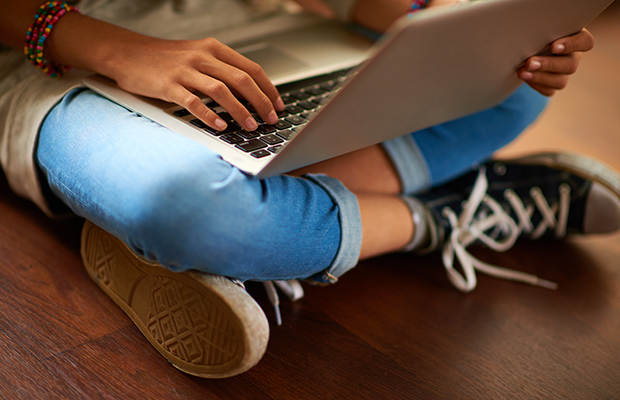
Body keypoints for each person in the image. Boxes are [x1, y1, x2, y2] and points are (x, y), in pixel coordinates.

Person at [1, 0, 618, 379]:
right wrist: (118, 48)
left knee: (511, 89)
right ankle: (443, 213)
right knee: (191, 212)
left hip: (253, 30)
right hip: (52, 63)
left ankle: (265, 239)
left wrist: (466, 32)